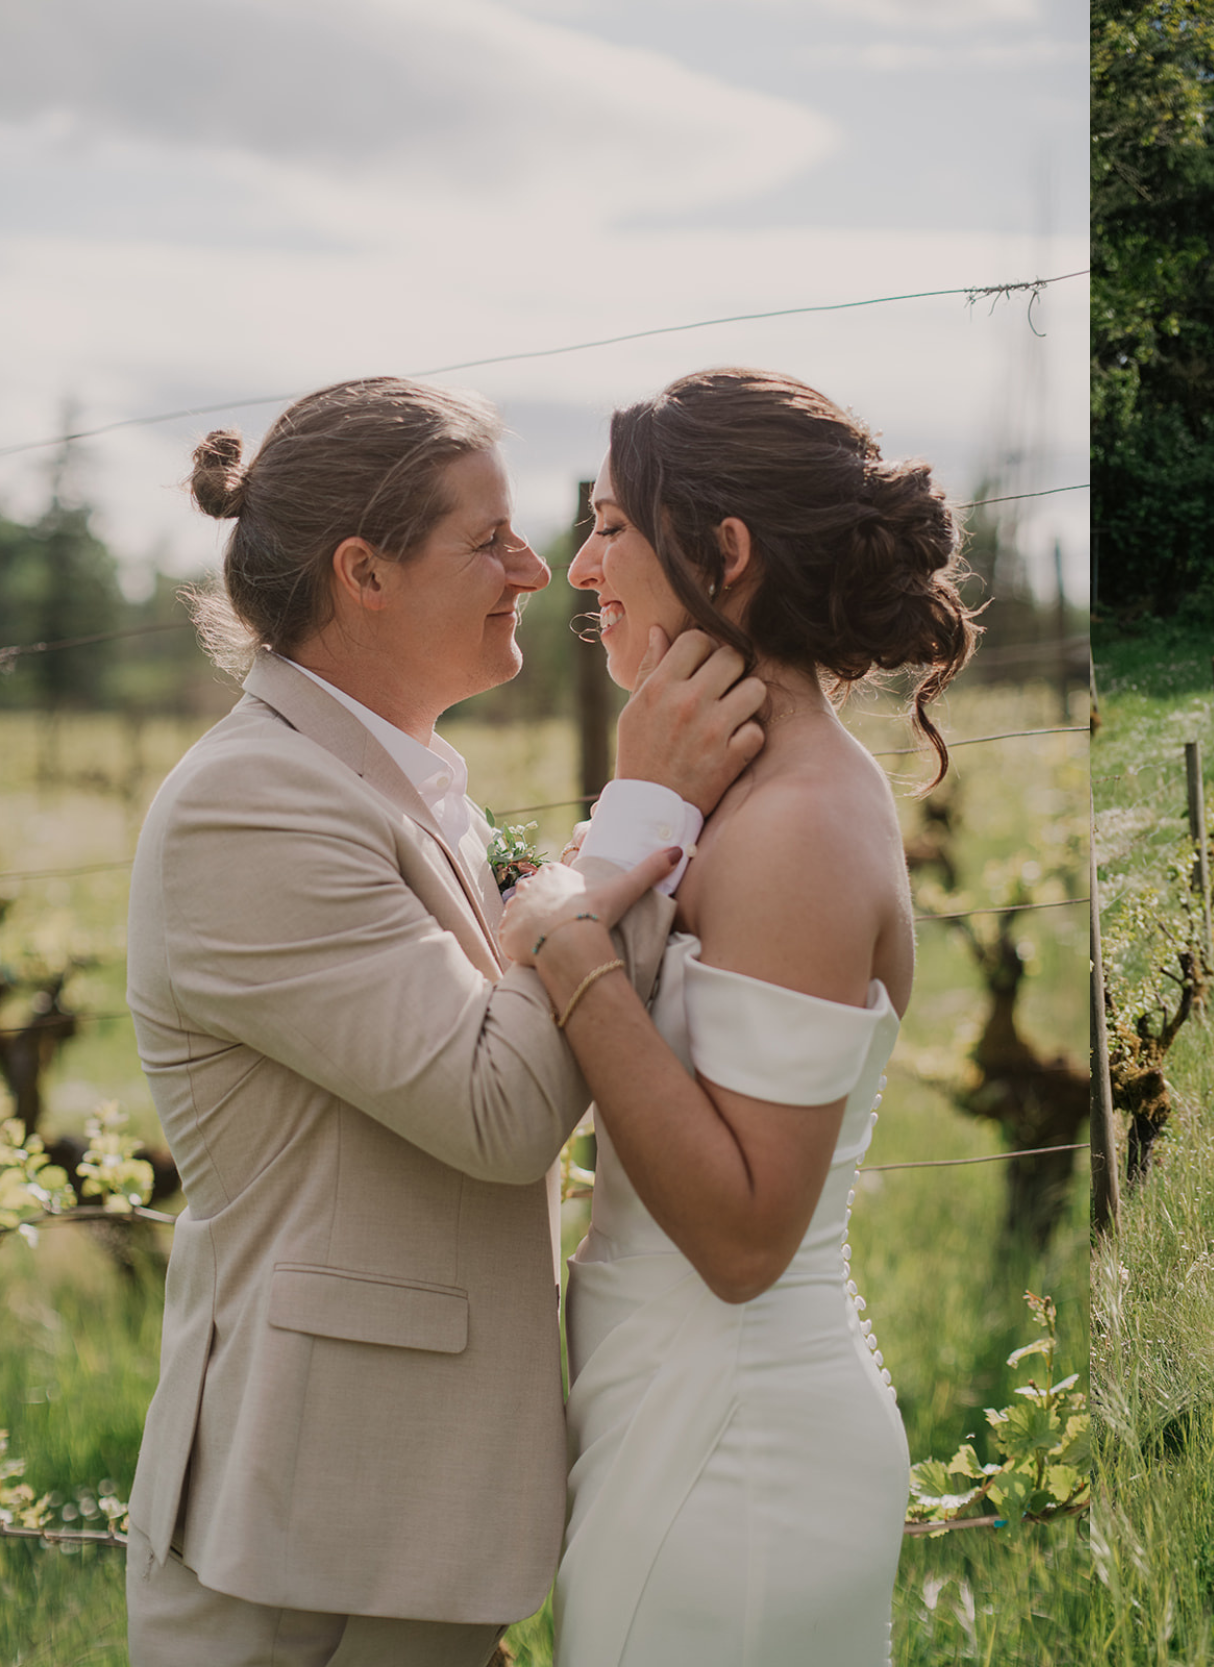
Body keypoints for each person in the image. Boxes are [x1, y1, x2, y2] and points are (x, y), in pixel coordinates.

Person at [123, 376, 766, 1667]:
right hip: (305, 1538)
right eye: (488, 538)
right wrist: (639, 820)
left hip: (399, 1511)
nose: (535, 567)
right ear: (363, 571)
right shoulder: (247, 804)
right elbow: (497, 1106)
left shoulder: (397, 780)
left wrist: (600, 872)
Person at [495, 368, 976, 1665]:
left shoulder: (803, 825)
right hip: (673, 1414)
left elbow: (751, 1231)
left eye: (610, 524)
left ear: (726, 553)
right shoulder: (730, 798)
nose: (582, 563)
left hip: (741, 1454)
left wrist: (574, 949)